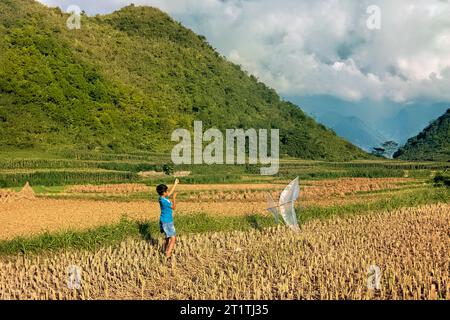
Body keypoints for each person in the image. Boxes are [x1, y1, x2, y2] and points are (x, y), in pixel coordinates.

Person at [156, 179, 179, 258]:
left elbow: (169, 194)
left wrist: (175, 184)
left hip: (163, 220)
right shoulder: (166, 201)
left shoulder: (161, 198)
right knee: (173, 238)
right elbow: (174, 207)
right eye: (167, 191)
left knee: (167, 237)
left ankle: (163, 250)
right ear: (164, 192)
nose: (168, 192)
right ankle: (168, 254)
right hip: (168, 221)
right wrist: (174, 198)